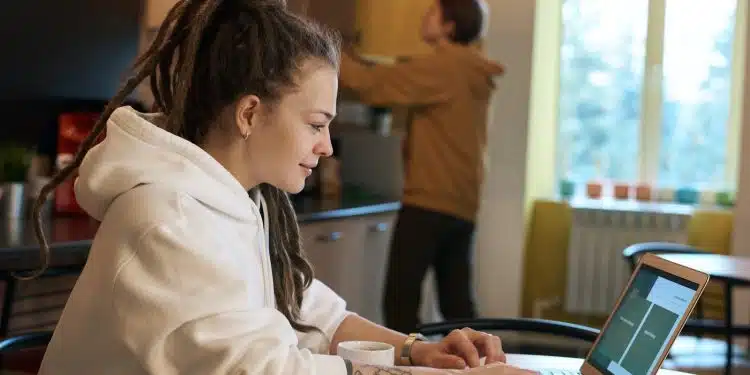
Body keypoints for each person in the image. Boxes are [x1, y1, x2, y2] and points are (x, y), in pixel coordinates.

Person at [22, 1, 533, 374]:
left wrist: (416, 350)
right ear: (249, 114)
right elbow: (264, 369)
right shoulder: (170, 217)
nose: (328, 146)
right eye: (316, 124)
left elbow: (310, 309)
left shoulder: (240, 199)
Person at [338, 0, 504, 334]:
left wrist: (323, 47)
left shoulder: (444, 67)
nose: (423, 16)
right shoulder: (470, 68)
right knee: (458, 307)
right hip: (462, 204)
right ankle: (483, 366)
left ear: (449, 26)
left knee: (400, 304)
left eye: (432, 12)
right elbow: (391, 74)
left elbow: (373, 85)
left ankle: (408, 367)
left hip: (428, 201)